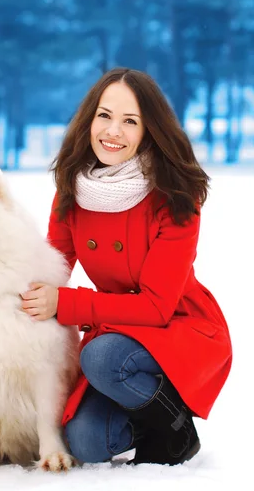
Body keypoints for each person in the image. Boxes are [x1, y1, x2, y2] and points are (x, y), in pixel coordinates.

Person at [20, 67, 232, 465]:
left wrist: (64, 303)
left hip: (178, 327)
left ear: (149, 130)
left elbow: (156, 306)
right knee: (84, 442)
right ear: (89, 120)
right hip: (116, 333)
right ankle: (144, 417)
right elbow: (50, 267)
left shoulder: (175, 197)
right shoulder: (73, 186)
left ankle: (176, 430)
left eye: (130, 121)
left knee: (101, 358)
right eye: (105, 116)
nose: (112, 131)